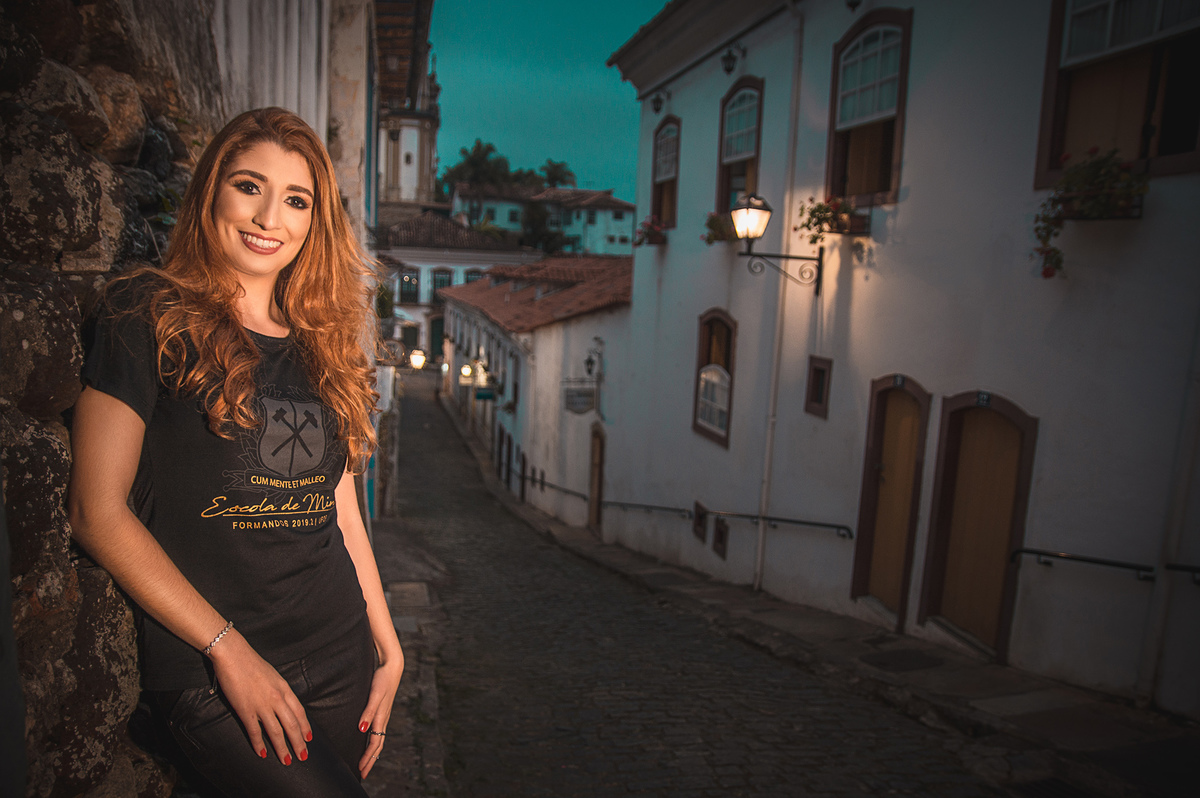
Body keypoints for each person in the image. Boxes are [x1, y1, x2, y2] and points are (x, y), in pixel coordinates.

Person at [68, 107, 403, 797]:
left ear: (315, 221)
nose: (269, 217)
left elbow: (337, 505)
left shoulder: (322, 343)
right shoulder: (147, 314)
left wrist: (387, 641)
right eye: (250, 186)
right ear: (212, 191)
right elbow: (96, 511)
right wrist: (229, 651)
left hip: (338, 653)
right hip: (215, 671)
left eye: (296, 200)